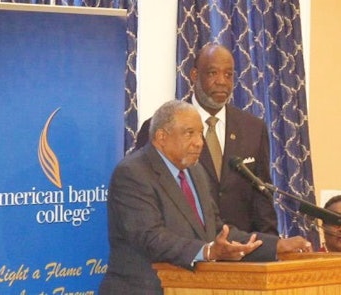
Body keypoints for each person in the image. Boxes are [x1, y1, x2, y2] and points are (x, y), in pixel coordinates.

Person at [99, 100, 312, 294]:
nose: (199, 142)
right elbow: (150, 237)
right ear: (161, 137)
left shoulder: (196, 172)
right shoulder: (133, 173)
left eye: (200, 134)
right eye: (189, 133)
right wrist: (208, 251)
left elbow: (216, 230)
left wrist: (275, 246)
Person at [134, 43, 278, 236]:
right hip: (184, 254)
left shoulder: (253, 128)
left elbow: (262, 200)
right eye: (212, 73)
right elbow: (147, 197)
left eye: (228, 75)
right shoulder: (162, 128)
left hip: (243, 254)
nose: (221, 81)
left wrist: (271, 246)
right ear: (194, 75)